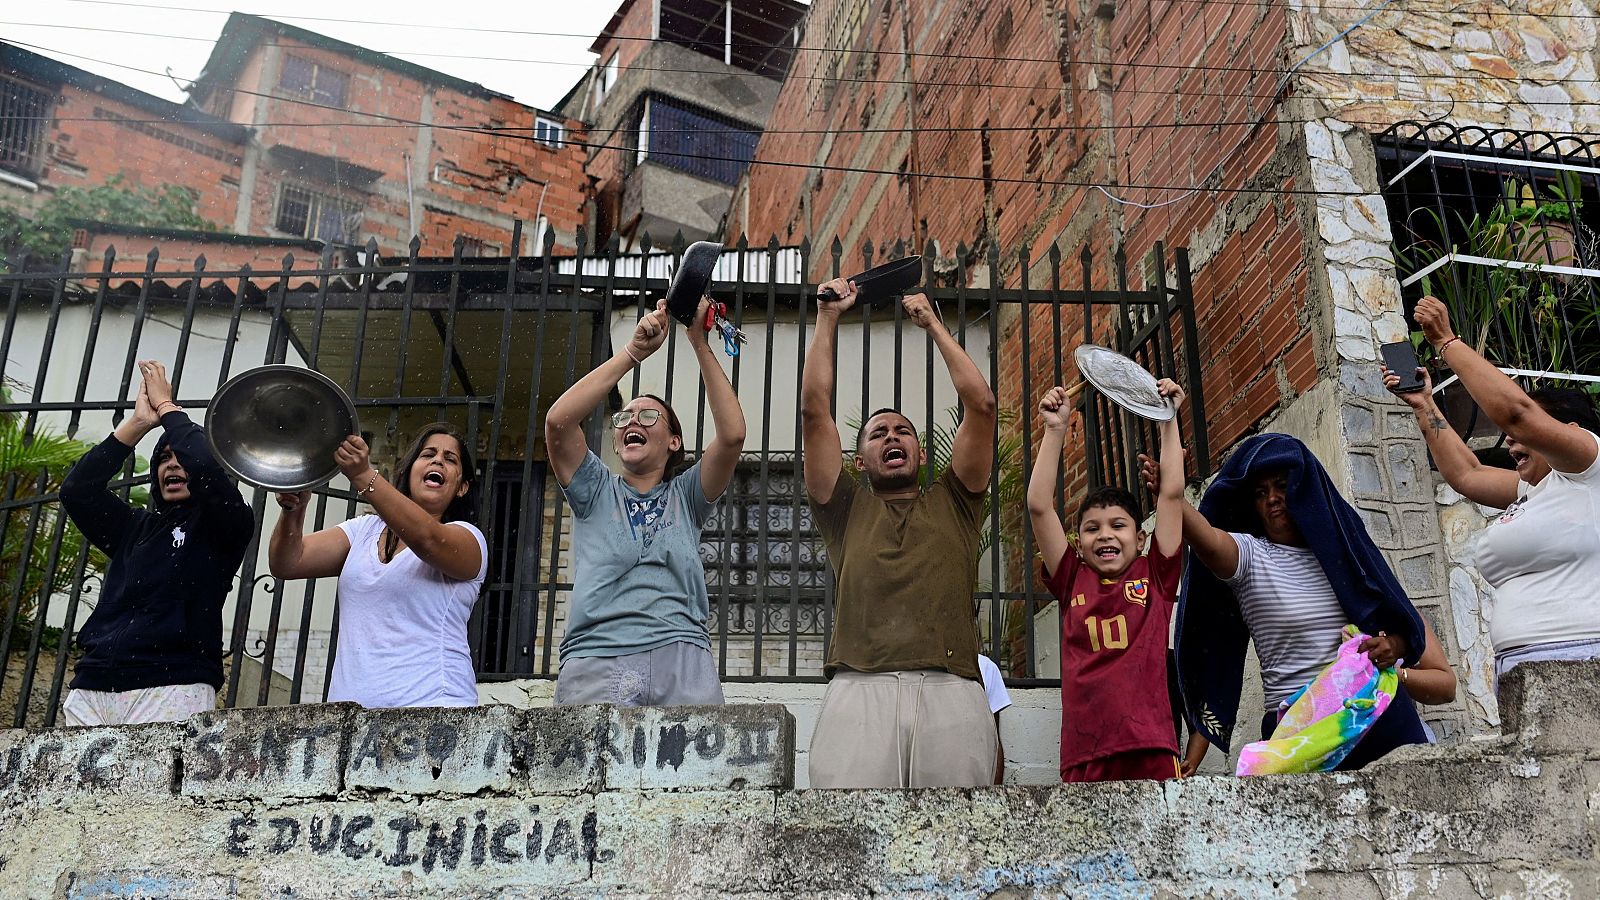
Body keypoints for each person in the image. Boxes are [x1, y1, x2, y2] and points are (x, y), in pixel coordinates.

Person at [1142, 434, 1458, 776]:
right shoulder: (1251, 557)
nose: (1273, 499)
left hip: (1380, 729)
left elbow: (1434, 669)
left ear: (1306, 489)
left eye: (1282, 485)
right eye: (1261, 493)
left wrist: (1392, 651)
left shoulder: (1355, 561)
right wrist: (1171, 494)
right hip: (1299, 739)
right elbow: (1207, 538)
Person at [802, 277, 998, 789]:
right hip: (857, 689)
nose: (892, 436)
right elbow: (813, 413)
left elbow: (982, 406)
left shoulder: (956, 501)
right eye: (878, 433)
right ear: (858, 459)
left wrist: (932, 323)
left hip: (953, 689)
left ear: (922, 451)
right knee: (845, 845)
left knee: (958, 849)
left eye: (903, 430)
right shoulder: (843, 507)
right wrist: (827, 318)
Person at [543, 297, 746, 707]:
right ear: (617, 442)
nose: (633, 421)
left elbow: (732, 436)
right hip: (596, 659)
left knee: (693, 775)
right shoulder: (596, 489)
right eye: (624, 418)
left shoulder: (686, 497)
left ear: (674, 442)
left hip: (683, 658)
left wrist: (698, 342)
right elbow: (559, 422)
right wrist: (633, 353)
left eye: (649, 416)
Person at [1386, 294, 1600, 680]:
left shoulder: (1589, 468)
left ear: (1568, 433)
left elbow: (1517, 414)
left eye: (1524, 436)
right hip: (1520, 669)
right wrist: (1424, 405)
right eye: (1509, 437)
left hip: (1578, 663)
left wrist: (1446, 342)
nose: (1512, 442)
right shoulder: (1531, 490)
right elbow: (1466, 474)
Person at [58, 360, 253, 726]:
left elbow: (209, 470)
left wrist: (168, 408)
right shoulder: (134, 526)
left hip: (173, 685)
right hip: (93, 685)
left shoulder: (226, 524)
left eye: (182, 457)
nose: (172, 465)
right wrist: (137, 424)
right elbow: (77, 490)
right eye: (163, 458)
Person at [1028, 379, 1187, 783]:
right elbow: (1038, 506)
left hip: (1150, 745)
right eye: (1092, 528)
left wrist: (1168, 420)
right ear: (1077, 544)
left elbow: (1170, 494)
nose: (1105, 535)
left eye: (1118, 525)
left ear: (1141, 538)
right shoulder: (1070, 579)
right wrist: (1055, 430)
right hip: (1086, 753)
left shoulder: (1156, 573)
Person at [268, 424, 486, 708]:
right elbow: (288, 562)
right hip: (352, 719)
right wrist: (294, 509)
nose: (437, 461)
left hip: (435, 713)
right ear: (409, 472)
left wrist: (363, 476)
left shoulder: (469, 539)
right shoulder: (363, 530)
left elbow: (427, 539)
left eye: (450, 459)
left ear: (462, 487)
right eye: (427, 454)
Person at [977, 653, 1012, 785]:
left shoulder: (986, 667)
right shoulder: (918, 663)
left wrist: (994, 795)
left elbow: (994, 740)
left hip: (977, 776)